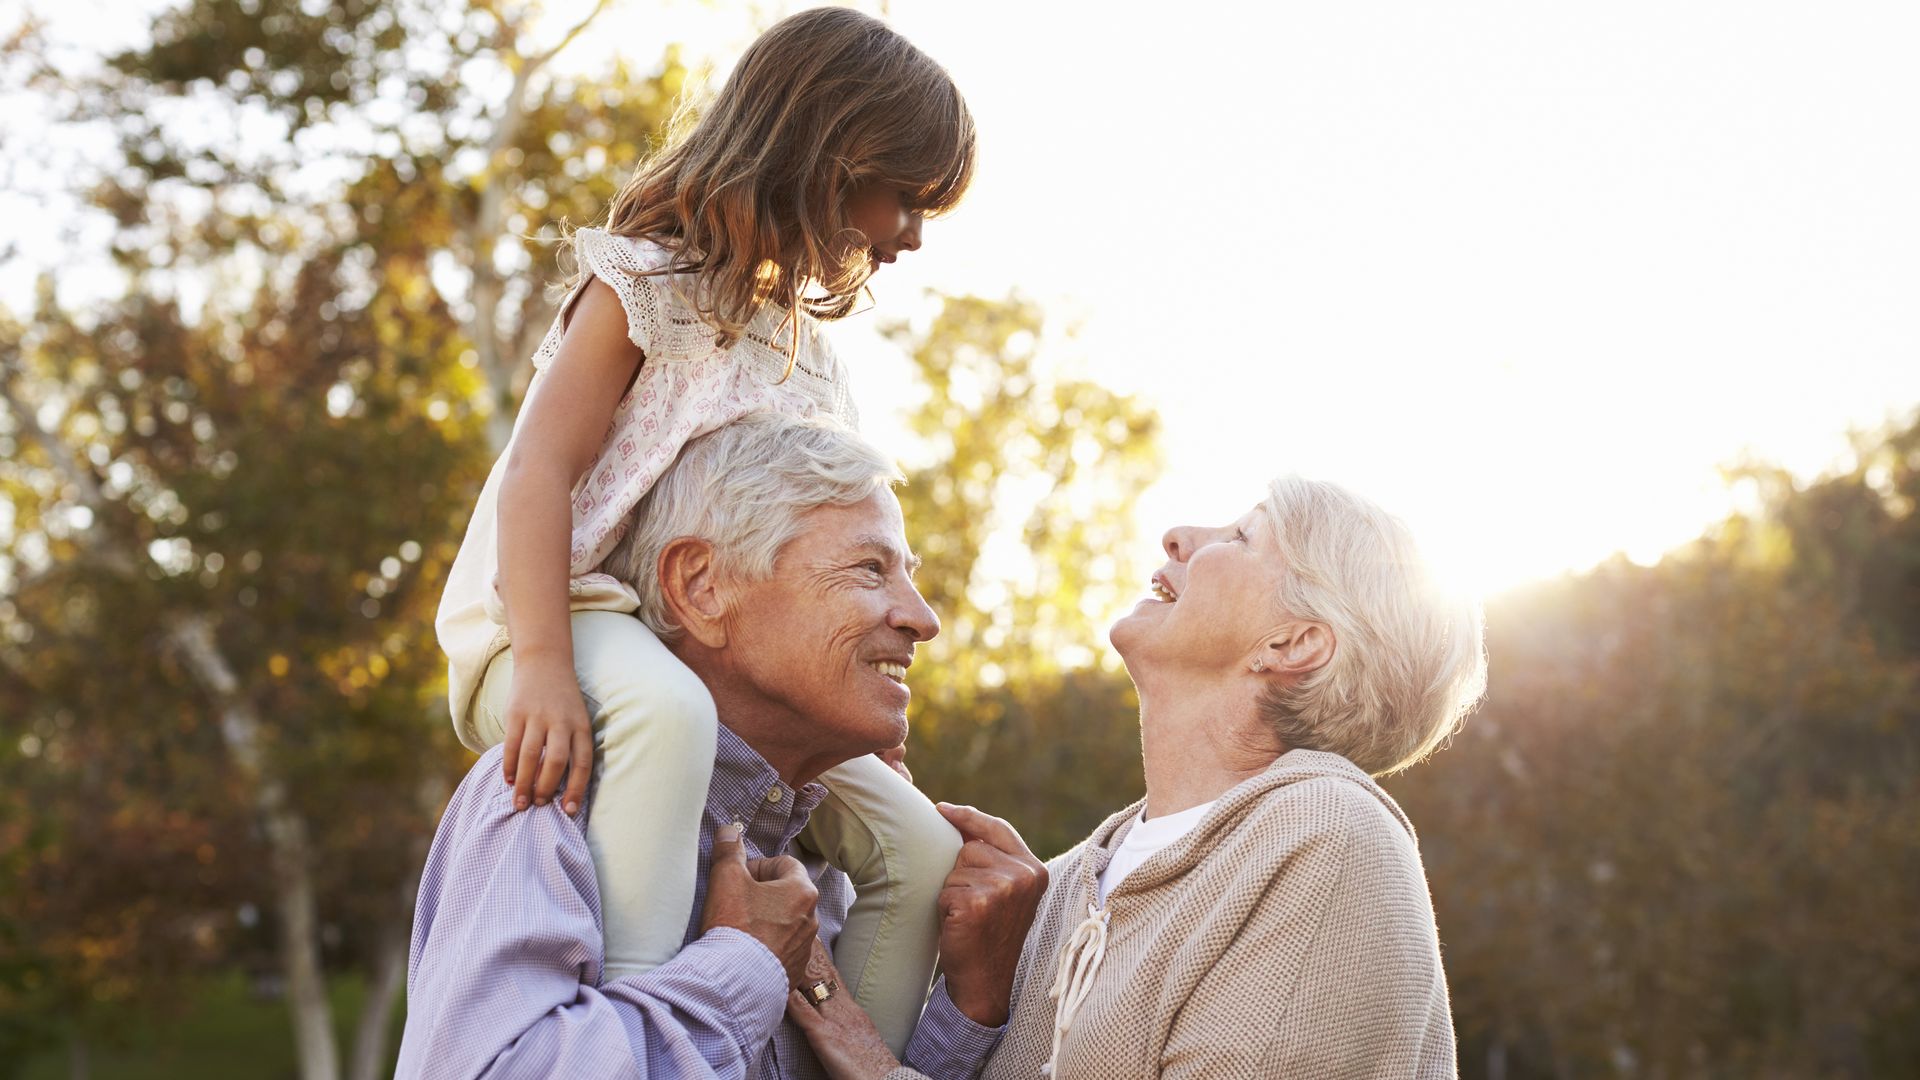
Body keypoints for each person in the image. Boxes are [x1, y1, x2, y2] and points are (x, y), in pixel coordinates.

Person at [431, 6, 976, 1051]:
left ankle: (847, 1061)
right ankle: (647, 1032)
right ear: (829, 156)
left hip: (696, 638)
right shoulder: (643, 280)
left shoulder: (805, 353)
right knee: (667, 717)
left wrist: (854, 712)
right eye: (905, 198)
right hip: (565, 608)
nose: (910, 234)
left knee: (914, 840)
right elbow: (538, 472)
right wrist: (541, 663)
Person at [398, 415, 1046, 1078]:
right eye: (869, 569)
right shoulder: (545, 801)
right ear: (702, 587)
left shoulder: (819, 872)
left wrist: (974, 1003)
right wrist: (743, 962)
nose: (923, 618)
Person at [786, 477, 1489, 1079]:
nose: (1178, 536)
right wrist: (976, 1000)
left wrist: (854, 1041)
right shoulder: (1062, 883)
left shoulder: (1328, 839)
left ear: (1293, 643)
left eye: (1243, 536)